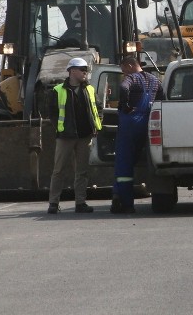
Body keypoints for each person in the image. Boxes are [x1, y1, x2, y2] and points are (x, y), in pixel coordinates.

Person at [46, 57, 102, 215]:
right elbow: (52, 113)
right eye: (82, 69)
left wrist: (97, 125)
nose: (85, 72)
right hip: (65, 137)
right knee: (59, 170)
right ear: (71, 71)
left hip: (85, 136)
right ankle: (53, 203)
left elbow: (98, 109)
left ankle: (80, 203)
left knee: (82, 171)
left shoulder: (89, 89)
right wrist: (60, 128)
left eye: (86, 70)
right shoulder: (57, 91)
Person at [111, 55, 165, 214]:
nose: (123, 73)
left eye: (123, 69)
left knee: (123, 164)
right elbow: (162, 98)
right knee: (143, 159)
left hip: (130, 124)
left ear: (129, 65)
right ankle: (119, 195)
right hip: (148, 124)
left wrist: (126, 105)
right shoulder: (155, 80)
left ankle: (126, 204)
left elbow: (123, 88)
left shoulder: (131, 78)